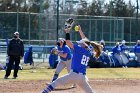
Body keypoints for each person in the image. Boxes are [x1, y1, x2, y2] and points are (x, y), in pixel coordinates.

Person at [42, 25, 102, 93]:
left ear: (84, 45)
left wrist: (67, 32)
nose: (79, 44)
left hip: (74, 75)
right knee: (90, 92)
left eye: (81, 44)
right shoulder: (89, 51)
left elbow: (67, 42)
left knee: (55, 83)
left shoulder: (79, 49)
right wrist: (80, 31)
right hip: (82, 77)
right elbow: (86, 41)